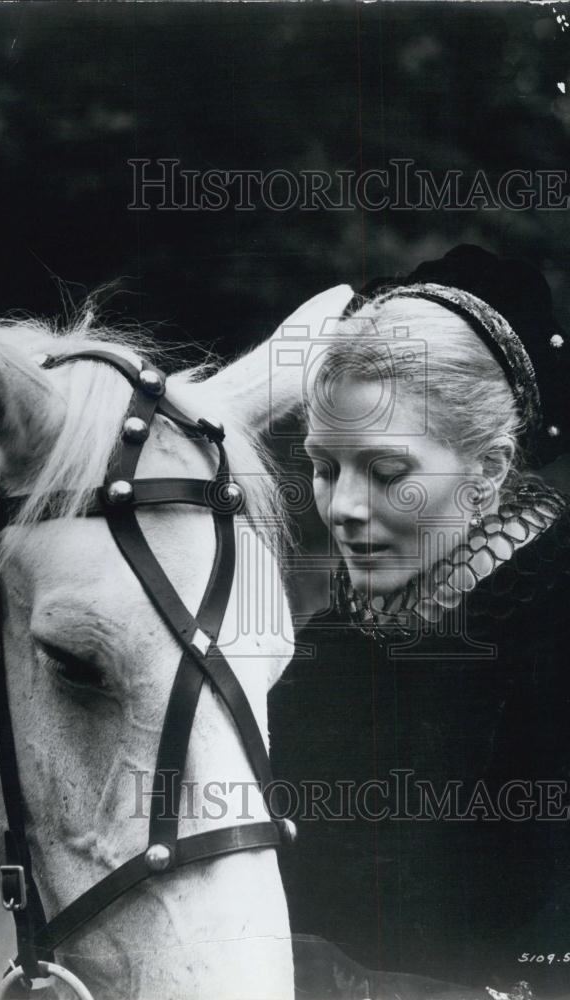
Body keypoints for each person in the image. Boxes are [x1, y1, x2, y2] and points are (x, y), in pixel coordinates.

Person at [269, 246, 570, 999]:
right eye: (325, 465)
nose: (341, 508)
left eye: (387, 472)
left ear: (491, 470)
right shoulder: (312, 662)